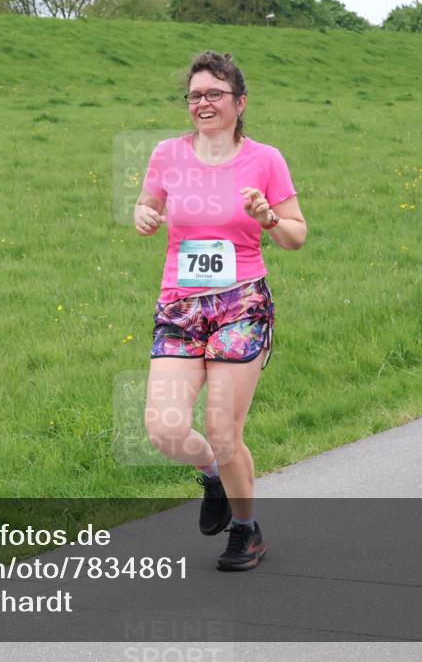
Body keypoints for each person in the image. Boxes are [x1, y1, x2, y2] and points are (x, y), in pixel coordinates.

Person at [133, 51, 307, 571]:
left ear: (240, 102)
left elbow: (296, 236)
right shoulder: (167, 153)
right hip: (181, 306)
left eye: (214, 93)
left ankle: (246, 529)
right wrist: (144, 214)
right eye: (194, 95)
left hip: (241, 304)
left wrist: (269, 217)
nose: (202, 102)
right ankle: (211, 475)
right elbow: (149, 204)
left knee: (225, 431)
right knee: (165, 429)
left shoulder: (265, 159)